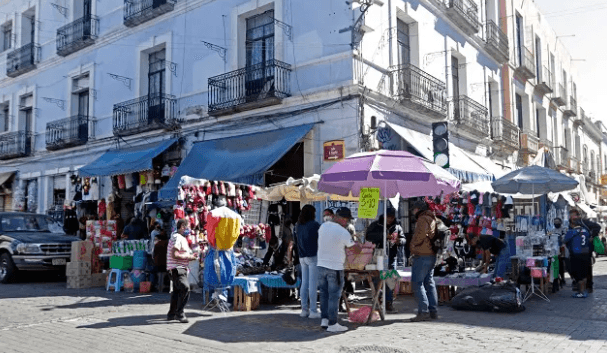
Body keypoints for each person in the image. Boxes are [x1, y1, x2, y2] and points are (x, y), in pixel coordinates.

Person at [317, 207, 356, 332]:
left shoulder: (323, 226)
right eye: (347, 220)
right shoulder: (343, 232)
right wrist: (360, 246)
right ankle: (333, 324)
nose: (347, 223)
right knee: (334, 296)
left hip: (321, 265)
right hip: (335, 267)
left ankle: (325, 320)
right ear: (343, 219)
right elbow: (354, 249)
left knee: (324, 295)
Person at [365, 207, 405, 312]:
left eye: (392, 217)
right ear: (384, 216)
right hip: (378, 256)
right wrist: (384, 236)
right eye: (388, 217)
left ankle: (388, 303)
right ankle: (377, 300)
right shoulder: (375, 225)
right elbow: (368, 236)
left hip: (392, 257)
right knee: (376, 279)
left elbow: (404, 239)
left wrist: (399, 241)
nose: (390, 219)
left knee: (390, 280)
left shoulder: (397, 227)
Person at [409, 199, 439, 322]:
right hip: (431, 254)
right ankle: (433, 311)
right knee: (429, 282)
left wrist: (412, 246)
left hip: (422, 254)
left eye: (414, 209)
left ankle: (424, 311)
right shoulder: (432, 218)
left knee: (417, 283)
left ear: (418, 209)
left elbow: (420, 235)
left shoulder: (422, 219)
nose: (413, 211)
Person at [166, 219, 198, 323]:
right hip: (177, 268)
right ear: (182, 227)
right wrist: (189, 257)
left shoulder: (176, 237)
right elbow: (174, 254)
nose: (189, 229)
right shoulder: (178, 238)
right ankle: (180, 313)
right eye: (188, 227)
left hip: (176, 268)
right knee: (185, 288)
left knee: (176, 291)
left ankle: (171, 314)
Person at [295, 205, 321, 319]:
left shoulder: (298, 225)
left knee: (304, 283)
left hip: (302, 256)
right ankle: (313, 310)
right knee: (312, 284)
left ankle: (304, 309)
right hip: (313, 256)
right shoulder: (315, 225)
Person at [568, 208, 600, 294]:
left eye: (575, 215)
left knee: (587, 268)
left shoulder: (584, 222)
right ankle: (578, 282)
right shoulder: (568, 224)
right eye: (571, 215)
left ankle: (588, 286)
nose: (573, 217)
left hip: (586, 249)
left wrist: (592, 236)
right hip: (573, 250)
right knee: (573, 268)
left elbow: (597, 226)